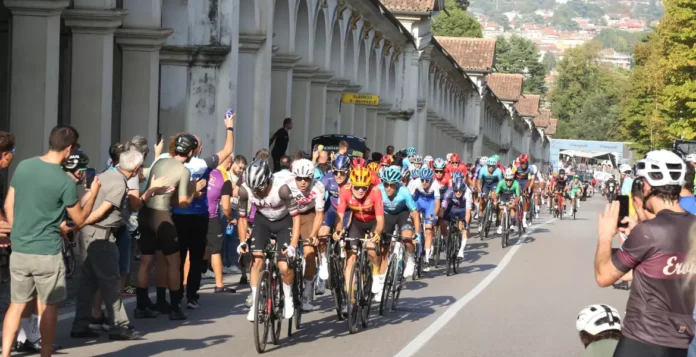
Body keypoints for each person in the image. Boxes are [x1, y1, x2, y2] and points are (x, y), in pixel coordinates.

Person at [1, 125, 100, 357]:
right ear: (69, 149)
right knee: (47, 306)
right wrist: (93, 193)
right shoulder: (64, 181)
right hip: (47, 252)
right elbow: (79, 219)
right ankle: (45, 353)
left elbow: (8, 204)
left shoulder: (24, 165)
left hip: (20, 249)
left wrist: (17, 232)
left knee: (16, 304)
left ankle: (5, 354)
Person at [594, 150, 696, 356]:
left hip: (642, 338)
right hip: (680, 343)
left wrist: (605, 235)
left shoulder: (650, 231)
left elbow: (604, 276)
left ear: (647, 186)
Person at [70, 150, 171, 340]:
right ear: (136, 168)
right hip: (102, 234)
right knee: (112, 282)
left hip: (91, 233)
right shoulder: (118, 182)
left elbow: (86, 199)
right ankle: (119, 326)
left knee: (88, 282)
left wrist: (80, 225)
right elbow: (103, 210)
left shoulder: (106, 174)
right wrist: (80, 224)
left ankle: (81, 324)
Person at [135, 133, 207, 320]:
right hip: (162, 216)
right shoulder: (184, 171)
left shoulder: (159, 162)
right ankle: (175, 307)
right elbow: (183, 203)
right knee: (173, 263)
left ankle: (141, 306)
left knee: (146, 261)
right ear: (191, 152)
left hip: (145, 213)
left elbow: (167, 194)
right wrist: (194, 192)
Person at [237, 159, 300, 321]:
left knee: (284, 265)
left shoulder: (282, 190)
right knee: (256, 259)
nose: (256, 192)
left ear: (268, 179)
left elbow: (297, 218)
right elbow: (242, 219)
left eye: (260, 188)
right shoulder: (244, 191)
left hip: (283, 221)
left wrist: (293, 246)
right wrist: (243, 241)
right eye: (254, 189)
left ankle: (287, 298)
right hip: (262, 221)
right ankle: (255, 302)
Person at [334, 167, 384, 307]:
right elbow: (340, 217)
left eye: (364, 187)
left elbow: (380, 220)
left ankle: (375, 272)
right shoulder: (344, 190)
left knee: (371, 247)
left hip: (373, 222)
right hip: (356, 224)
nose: (361, 190)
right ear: (351, 185)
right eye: (357, 187)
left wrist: (377, 233)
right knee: (350, 260)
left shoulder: (375, 192)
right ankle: (350, 300)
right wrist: (338, 231)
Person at [285, 159, 325, 311]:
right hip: (288, 215)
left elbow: (319, 215)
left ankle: (307, 291)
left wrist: (314, 235)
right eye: (299, 179)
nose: (303, 182)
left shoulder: (318, 187)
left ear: (312, 177)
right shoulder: (286, 184)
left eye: (307, 179)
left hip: (309, 214)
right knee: (284, 249)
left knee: (309, 251)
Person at [378, 167, 420, 282]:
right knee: (384, 249)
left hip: (402, 214)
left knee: (407, 238)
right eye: (386, 184)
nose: (388, 188)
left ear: (397, 185)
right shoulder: (378, 190)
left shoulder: (404, 191)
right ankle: (382, 281)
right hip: (387, 215)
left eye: (392, 185)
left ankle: (411, 258)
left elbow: (415, 214)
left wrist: (417, 234)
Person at [408, 167, 440, 271]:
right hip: (419, 200)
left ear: (431, 179)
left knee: (429, 230)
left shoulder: (435, 184)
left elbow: (437, 203)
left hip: (430, 203)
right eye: (422, 180)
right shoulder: (416, 182)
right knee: (412, 219)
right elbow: (409, 198)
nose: (424, 182)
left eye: (427, 180)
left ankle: (426, 259)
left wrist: (434, 214)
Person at [439, 175, 472, 259]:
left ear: (463, 189)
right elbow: (443, 207)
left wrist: (466, 223)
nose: (458, 192)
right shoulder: (449, 191)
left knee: (465, 228)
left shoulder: (468, 192)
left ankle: (461, 250)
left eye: (460, 190)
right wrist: (440, 218)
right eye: (456, 190)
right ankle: (447, 243)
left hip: (463, 208)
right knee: (443, 224)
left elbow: (468, 212)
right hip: (452, 208)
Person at [494, 168, 521, 234]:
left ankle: (512, 224)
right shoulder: (501, 182)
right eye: (507, 180)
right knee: (501, 209)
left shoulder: (516, 183)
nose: (508, 181)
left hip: (511, 195)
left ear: (512, 179)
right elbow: (496, 194)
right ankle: (500, 225)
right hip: (503, 195)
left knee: (512, 207)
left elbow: (518, 196)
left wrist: (515, 201)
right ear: (504, 179)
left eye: (510, 180)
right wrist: (495, 200)